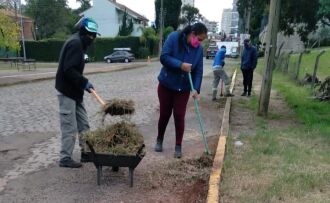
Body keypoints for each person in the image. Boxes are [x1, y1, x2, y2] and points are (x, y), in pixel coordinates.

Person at [155, 23, 208, 158]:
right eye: (199, 39)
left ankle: (178, 145)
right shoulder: (174, 37)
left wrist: (196, 88)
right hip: (166, 85)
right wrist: (180, 65)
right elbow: (164, 57)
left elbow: (198, 71)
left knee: (179, 115)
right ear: (192, 33)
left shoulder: (198, 50)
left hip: (183, 88)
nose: (199, 43)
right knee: (165, 114)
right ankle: (159, 139)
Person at [55, 17, 99, 168]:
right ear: (82, 32)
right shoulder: (75, 43)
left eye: (94, 35)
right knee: (69, 126)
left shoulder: (80, 43)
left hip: (75, 92)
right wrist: (84, 82)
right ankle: (65, 158)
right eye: (90, 35)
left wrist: (82, 85)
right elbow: (69, 70)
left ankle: (86, 153)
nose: (92, 38)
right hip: (67, 92)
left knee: (84, 124)